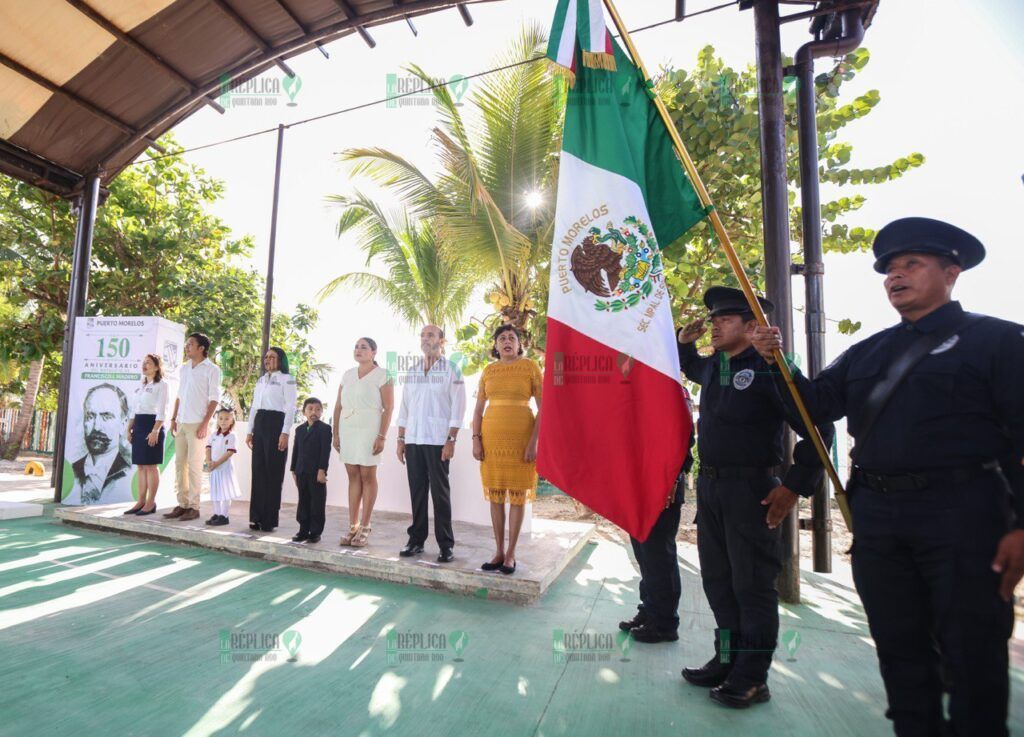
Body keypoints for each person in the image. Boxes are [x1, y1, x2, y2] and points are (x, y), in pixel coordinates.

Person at [751, 217, 1024, 736]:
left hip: (965, 519)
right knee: (901, 655)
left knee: (973, 659)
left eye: (911, 265)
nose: (895, 277)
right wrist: (776, 361)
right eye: (889, 270)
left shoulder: (999, 342)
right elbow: (813, 408)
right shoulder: (868, 352)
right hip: (879, 521)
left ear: (952, 272)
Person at [678, 286, 833, 709]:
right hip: (711, 490)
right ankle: (727, 660)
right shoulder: (718, 367)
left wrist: (794, 486)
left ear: (752, 328)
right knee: (719, 583)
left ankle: (752, 676)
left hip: (752, 491)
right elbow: (693, 367)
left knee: (752, 587)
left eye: (723, 319)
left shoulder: (770, 370)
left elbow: (818, 427)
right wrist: (684, 344)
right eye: (713, 318)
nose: (714, 324)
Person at [470, 325, 542, 575]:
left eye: (512, 338)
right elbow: (478, 409)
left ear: (520, 344)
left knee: (517, 497)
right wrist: (476, 439)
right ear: (496, 345)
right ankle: (498, 550)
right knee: (496, 496)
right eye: (502, 338)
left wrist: (534, 442)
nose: (507, 341)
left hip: (522, 441)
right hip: (491, 441)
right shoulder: (488, 371)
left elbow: (545, 409)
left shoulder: (531, 367)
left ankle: (511, 553)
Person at [620, 413, 694, 643]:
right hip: (639, 481)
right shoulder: (639, 389)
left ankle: (665, 622)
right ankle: (650, 610)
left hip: (664, 482)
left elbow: (684, 433)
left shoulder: (669, 385)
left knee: (659, 554)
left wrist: (671, 478)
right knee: (644, 553)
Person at [396, 325, 467, 563]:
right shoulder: (413, 371)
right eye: (423, 335)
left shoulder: (452, 370)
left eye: (431, 335)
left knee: (440, 494)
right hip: (414, 440)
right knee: (416, 493)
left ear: (442, 341)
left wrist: (451, 439)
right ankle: (416, 540)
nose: (426, 339)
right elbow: (404, 408)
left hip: (438, 441)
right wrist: (401, 438)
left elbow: (458, 408)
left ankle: (446, 545)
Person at [333, 337, 394, 547]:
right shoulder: (347, 375)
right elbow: (338, 407)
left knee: (368, 474)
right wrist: (336, 434)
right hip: (348, 428)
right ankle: (353, 526)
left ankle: (366, 526)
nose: (359, 350)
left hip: (370, 428)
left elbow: (389, 407)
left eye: (364, 347)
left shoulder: (384, 375)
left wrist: (382, 436)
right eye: (356, 347)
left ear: (374, 352)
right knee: (352, 475)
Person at [166, 333, 221, 522]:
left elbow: (215, 399)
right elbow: (180, 396)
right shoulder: (184, 369)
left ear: (201, 348)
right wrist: (173, 418)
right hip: (181, 421)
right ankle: (182, 504)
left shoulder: (212, 369)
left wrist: (206, 423)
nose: (186, 347)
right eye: (186, 344)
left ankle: (194, 507)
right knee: (180, 465)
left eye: (190, 344)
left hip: (198, 423)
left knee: (195, 466)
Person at [246, 347, 297, 533]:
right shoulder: (261, 380)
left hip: (276, 424)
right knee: (258, 471)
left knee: (273, 473)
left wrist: (285, 432)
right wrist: (249, 431)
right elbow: (253, 407)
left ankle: (269, 519)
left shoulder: (287, 379)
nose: (268, 360)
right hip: (260, 423)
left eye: (272, 357)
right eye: (266, 357)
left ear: (281, 360)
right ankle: (255, 517)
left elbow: (291, 407)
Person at [70, 383, 132, 504]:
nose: (96, 427)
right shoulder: (73, 470)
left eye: (106, 416)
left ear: (123, 423)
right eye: (90, 416)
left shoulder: (129, 472)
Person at [125, 354, 168, 515]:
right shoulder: (141, 385)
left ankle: (151, 502)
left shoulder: (161, 385)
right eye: (143, 362)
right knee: (141, 466)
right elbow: (134, 410)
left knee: (151, 466)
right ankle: (141, 501)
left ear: (157, 367)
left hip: (152, 425)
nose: (145, 365)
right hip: (139, 425)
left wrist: (155, 431)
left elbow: (162, 411)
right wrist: (129, 429)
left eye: (148, 363)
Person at [291, 397, 333, 544]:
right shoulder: (299, 429)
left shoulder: (325, 429)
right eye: (310, 409)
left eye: (317, 409)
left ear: (321, 412)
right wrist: (293, 469)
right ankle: (303, 530)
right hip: (301, 471)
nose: (313, 412)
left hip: (316, 473)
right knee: (303, 501)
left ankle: (315, 532)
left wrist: (322, 470)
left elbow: (325, 451)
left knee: (317, 503)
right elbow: (296, 450)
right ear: (304, 412)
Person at [205, 408, 240, 526]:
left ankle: (224, 515)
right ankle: (216, 513)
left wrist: (217, 463)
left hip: (224, 469)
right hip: (214, 469)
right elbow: (208, 448)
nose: (223, 421)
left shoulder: (232, 436)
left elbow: (229, 453)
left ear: (232, 420)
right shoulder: (214, 435)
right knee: (215, 492)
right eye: (220, 418)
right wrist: (209, 461)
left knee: (225, 492)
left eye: (226, 419)